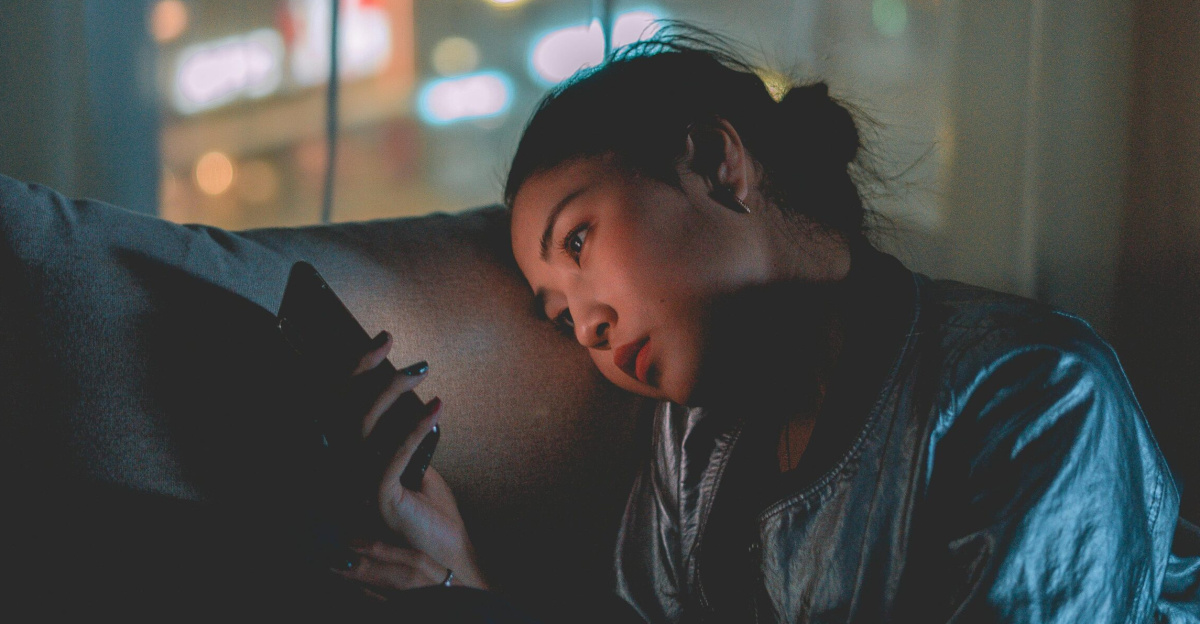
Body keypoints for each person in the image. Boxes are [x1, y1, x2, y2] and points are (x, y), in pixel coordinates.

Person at [331, 26, 1200, 623]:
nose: (588, 328)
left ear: (716, 162)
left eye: (580, 240)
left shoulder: (1033, 393)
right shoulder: (690, 455)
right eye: (559, 316)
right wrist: (459, 577)